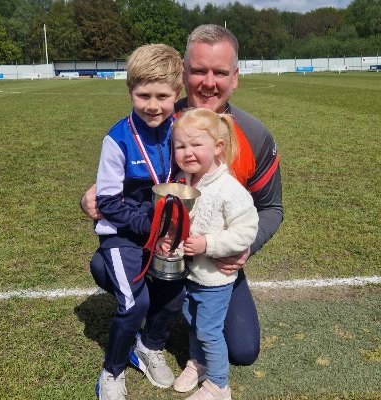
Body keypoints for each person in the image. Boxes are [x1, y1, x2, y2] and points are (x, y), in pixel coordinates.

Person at [82, 24, 283, 386]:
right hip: (160, 242)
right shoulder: (162, 116)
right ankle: (149, 318)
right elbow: (126, 171)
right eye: (199, 70)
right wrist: (90, 196)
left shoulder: (254, 135)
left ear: (235, 77)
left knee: (242, 350)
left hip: (214, 256)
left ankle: (172, 309)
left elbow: (272, 208)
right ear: (183, 73)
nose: (208, 82)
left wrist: (244, 248)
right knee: (104, 265)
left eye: (220, 72)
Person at [92, 43, 183, 400]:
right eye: (143, 95)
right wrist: (150, 226)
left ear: (177, 93)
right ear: (130, 91)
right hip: (123, 234)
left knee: (175, 295)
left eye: (162, 95)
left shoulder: (182, 129)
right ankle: (112, 371)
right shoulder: (117, 139)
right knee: (135, 304)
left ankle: (148, 345)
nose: (153, 105)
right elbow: (106, 202)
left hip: (166, 232)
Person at [156, 108, 259, 399]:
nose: (187, 153)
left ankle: (218, 385)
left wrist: (208, 245)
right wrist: (169, 239)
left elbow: (246, 230)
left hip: (215, 279)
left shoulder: (229, 189)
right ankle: (198, 363)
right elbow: (178, 223)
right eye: (180, 146)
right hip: (191, 275)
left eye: (196, 145)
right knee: (191, 320)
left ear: (218, 148)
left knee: (209, 330)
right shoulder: (183, 181)